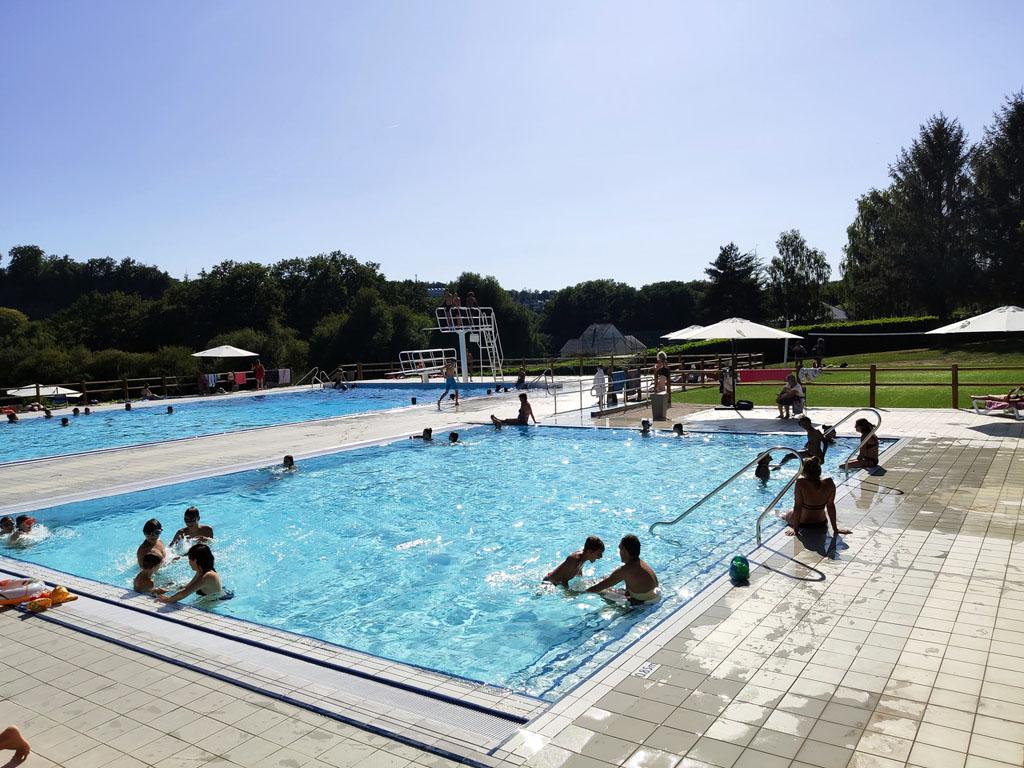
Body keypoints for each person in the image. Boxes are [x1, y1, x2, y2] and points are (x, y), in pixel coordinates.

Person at [783, 457, 851, 537]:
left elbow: (797, 507)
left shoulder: (800, 482)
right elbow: (830, 506)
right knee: (823, 510)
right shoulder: (829, 481)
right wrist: (835, 529)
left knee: (785, 514)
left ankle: (780, 515)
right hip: (821, 523)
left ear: (803, 471)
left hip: (803, 523)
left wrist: (796, 529)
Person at [585, 534, 660, 605]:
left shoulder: (626, 570)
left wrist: (580, 593)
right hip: (652, 596)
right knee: (609, 586)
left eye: (620, 548)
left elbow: (597, 588)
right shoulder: (640, 563)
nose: (619, 552)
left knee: (602, 592)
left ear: (624, 550)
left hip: (641, 603)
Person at [155, 543, 224, 603]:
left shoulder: (208, 576)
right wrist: (167, 590)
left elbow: (185, 593)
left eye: (190, 560)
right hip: (207, 599)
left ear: (195, 560)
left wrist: (167, 600)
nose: (189, 563)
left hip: (212, 603)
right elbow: (188, 587)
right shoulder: (201, 572)